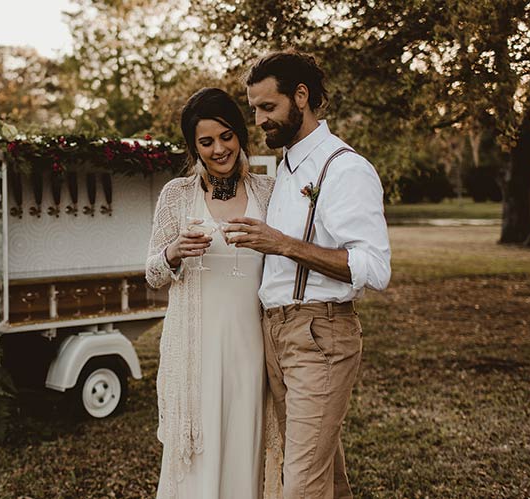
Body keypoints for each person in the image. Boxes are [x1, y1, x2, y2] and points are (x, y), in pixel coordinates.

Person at [226, 51, 392, 499]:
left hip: (319, 334)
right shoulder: (286, 169)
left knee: (299, 484)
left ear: (301, 96)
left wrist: (281, 243)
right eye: (254, 108)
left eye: (267, 107)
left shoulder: (345, 168)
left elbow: (374, 268)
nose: (258, 120)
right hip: (277, 335)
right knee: (322, 477)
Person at [146, 87, 282, 499]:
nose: (219, 149)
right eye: (206, 142)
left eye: (226, 136)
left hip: (251, 351)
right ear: (194, 147)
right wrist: (172, 253)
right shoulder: (177, 195)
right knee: (196, 463)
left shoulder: (269, 192)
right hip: (195, 353)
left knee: (245, 452)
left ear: (240, 135)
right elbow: (152, 274)